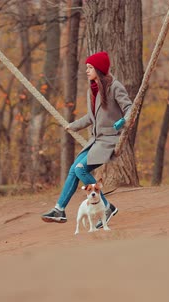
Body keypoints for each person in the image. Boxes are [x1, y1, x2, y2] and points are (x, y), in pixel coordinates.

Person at [41, 51, 131, 228]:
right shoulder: (94, 89)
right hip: (95, 141)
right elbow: (91, 118)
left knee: (81, 169)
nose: (87, 71)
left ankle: (106, 207)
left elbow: (130, 107)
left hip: (109, 140)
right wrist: (72, 125)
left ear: (98, 69)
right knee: (74, 169)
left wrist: (124, 121)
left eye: (90, 67)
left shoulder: (115, 87)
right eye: (87, 68)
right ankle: (59, 209)